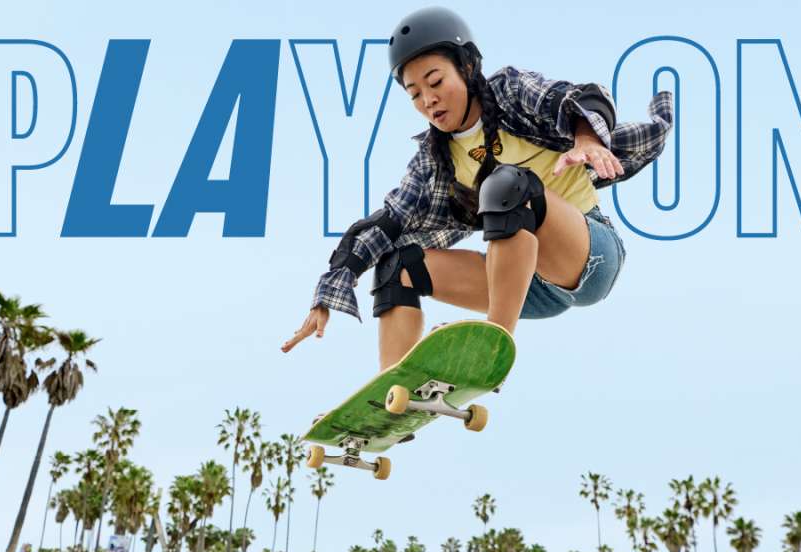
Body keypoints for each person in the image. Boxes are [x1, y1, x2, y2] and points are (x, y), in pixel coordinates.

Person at [283, 7, 673, 370]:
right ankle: (394, 392)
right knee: (397, 266)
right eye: (414, 94)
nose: (429, 100)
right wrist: (328, 293)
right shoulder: (434, 161)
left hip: (590, 255)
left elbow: (573, 98)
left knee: (507, 183)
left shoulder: (509, 92)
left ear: (467, 67)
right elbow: (387, 224)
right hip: (525, 286)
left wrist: (586, 138)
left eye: (436, 82)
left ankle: (493, 343)